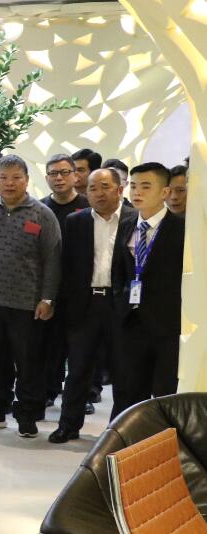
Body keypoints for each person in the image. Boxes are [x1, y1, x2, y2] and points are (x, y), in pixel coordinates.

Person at [0, 155, 61, 438]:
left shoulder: (42, 214)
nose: (9, 183)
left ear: (26, 181)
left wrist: (48, 299)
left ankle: (27, 415)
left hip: (27, 304)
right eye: (3, 177)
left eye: (16, 177)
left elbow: (53, 260)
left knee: (29, 363)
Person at [51, 168, 133, 443]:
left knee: (123, 371)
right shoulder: (76, 221)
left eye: (105, 187)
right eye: (93, 188)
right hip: (85, 304)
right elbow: (66, 266)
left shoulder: (134, 219)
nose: (98, 193)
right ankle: (68, 425)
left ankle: (119, 432)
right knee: (78, 369)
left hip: (120, 304)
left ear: (120, 189)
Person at [109, 162, 186, 418]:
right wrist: (119, 303)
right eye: (133, 186)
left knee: (164, 393)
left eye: (145, 186)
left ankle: (162, 440)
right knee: (127, 391)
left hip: (166, 325)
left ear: (164, 192)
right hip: (130, 320)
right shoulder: (127, 222)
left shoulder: (181, 228)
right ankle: (124, 439)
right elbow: (118, 270)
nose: (137, 192)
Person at [40, 153, 88, 410]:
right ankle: (48, 390)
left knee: (80, 348)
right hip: (48, 290)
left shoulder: (88, 206)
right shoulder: (39, 209)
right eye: (53, 174)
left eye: (64, 172)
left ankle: (84, 395)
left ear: (75, 175)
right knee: (49, 345)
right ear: (46, 177)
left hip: (80, 289)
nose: (59, 178)